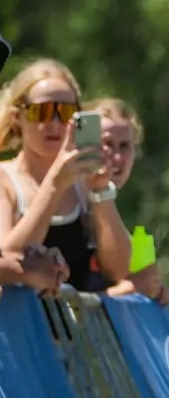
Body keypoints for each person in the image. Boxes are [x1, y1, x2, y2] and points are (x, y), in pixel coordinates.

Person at [0, 58, 132, 291]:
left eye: (66, 112)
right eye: (42, 112)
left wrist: (101, 191)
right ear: (17, 117)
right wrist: (54, 186)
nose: (54, 122)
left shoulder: (83, 186)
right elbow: (9, 259)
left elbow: (119, 270)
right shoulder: (5, 181)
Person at [84, 98, 169, 305]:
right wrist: (134, 289)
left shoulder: (127, 225)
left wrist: (157, 292)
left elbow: (139, 282)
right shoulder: (65, 206)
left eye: (125, 147)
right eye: (106, 144)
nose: (116, 157)